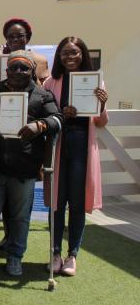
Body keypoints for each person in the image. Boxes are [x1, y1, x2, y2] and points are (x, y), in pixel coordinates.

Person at [0, 50, 62, 276]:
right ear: (6, 71)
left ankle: (15, 257)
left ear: (32, 71)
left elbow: (58, 118)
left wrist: (40, 126)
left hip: (24, 170)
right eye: (14, 68)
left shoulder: (42, 95)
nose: (19, 72)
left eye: (24, 68)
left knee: (19, 219)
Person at [44, 37, 108, 276]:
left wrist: (102, 105)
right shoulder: (51, 82)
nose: (70, 57)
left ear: (83, 54)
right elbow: (45, 116)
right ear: (59, 57)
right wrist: (62, 114)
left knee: (78, 203)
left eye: (75, 53)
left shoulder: (95, 81)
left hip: (82, 146)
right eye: (65, 53)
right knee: (56, 203)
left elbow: (101, 123)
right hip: (59, 146)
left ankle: (72, 255)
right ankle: (55, 253)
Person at [0, 18, 49, 84]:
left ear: (27, 38)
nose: (15, 39)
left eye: (20, 36)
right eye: (11, 36)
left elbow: (45, 88)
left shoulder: (40, 61)